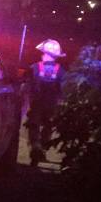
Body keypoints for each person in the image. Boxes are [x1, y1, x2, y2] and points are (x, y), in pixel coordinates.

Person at [25, 38, 66, 166]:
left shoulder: (34, 67)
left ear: (44, 53)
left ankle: (35, 147)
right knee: (48, 127)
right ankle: (42, 148)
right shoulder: (61, 70)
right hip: (52, 104)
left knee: (33, 126)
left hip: (36, 103)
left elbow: (27, 86)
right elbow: (63, 89)